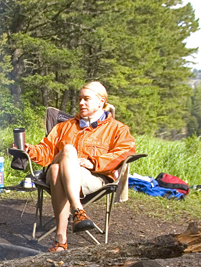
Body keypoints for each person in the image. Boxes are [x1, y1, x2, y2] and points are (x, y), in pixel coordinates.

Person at [24, 81, 136, 252]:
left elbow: (125, 151)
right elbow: (46, 151)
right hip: (65, 177)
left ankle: (61, 240)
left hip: (93, 177)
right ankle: (78, 211)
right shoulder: (64, 127)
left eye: (86, 99)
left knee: (55, 169)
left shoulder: (117, 129)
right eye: (79, 99)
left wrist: (94, 162)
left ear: (101, 102)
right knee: (67, 150)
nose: (81, 103)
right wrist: (29, 149)